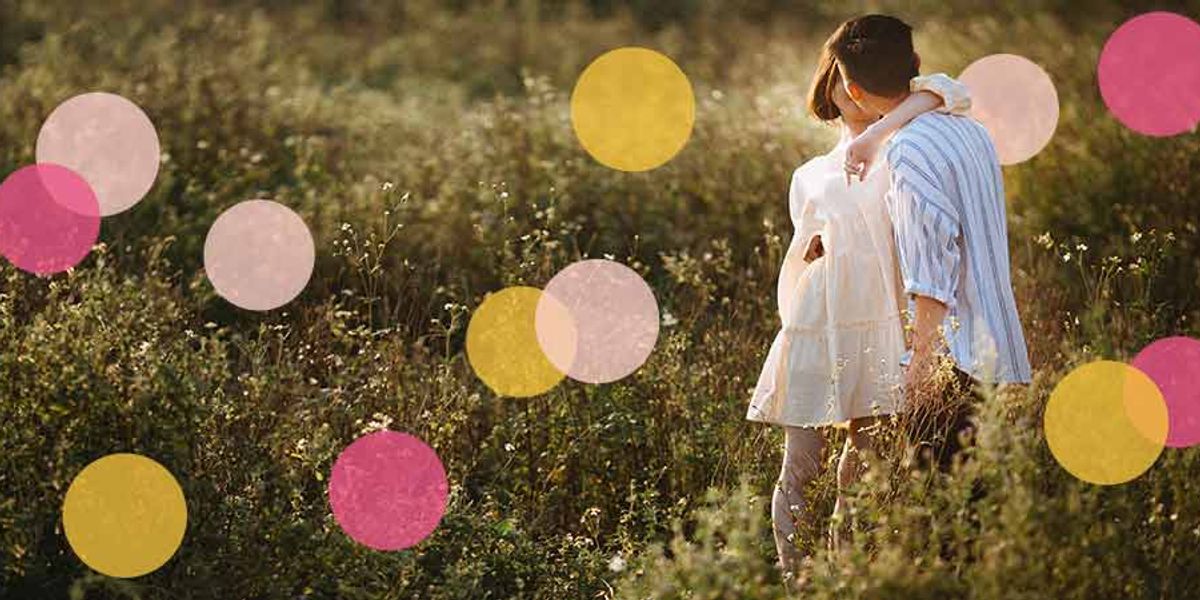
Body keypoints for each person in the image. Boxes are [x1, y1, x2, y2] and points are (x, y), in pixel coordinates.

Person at [746, 22, 972, 576]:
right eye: (840, 84)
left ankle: (844, 573)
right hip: (820, 319)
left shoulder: (905, 145)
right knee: (799, 465)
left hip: (881, 321)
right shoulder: (810, 173)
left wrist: (881, 130)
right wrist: (792, 328)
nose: (850, 94)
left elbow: (953, 90)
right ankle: (795, 579)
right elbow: (801, 256)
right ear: (830, 86)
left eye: (856, 83)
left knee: (863, 465)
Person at [829, 14, 1033, 472]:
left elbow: (931, 277)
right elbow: (947, 90)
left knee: (941, 515)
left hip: (953, 361)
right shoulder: (972, 129)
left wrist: (920, 369)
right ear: (915, 63)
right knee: (975, 506)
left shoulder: (908, 152)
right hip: (994, 343)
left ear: (855, 92)